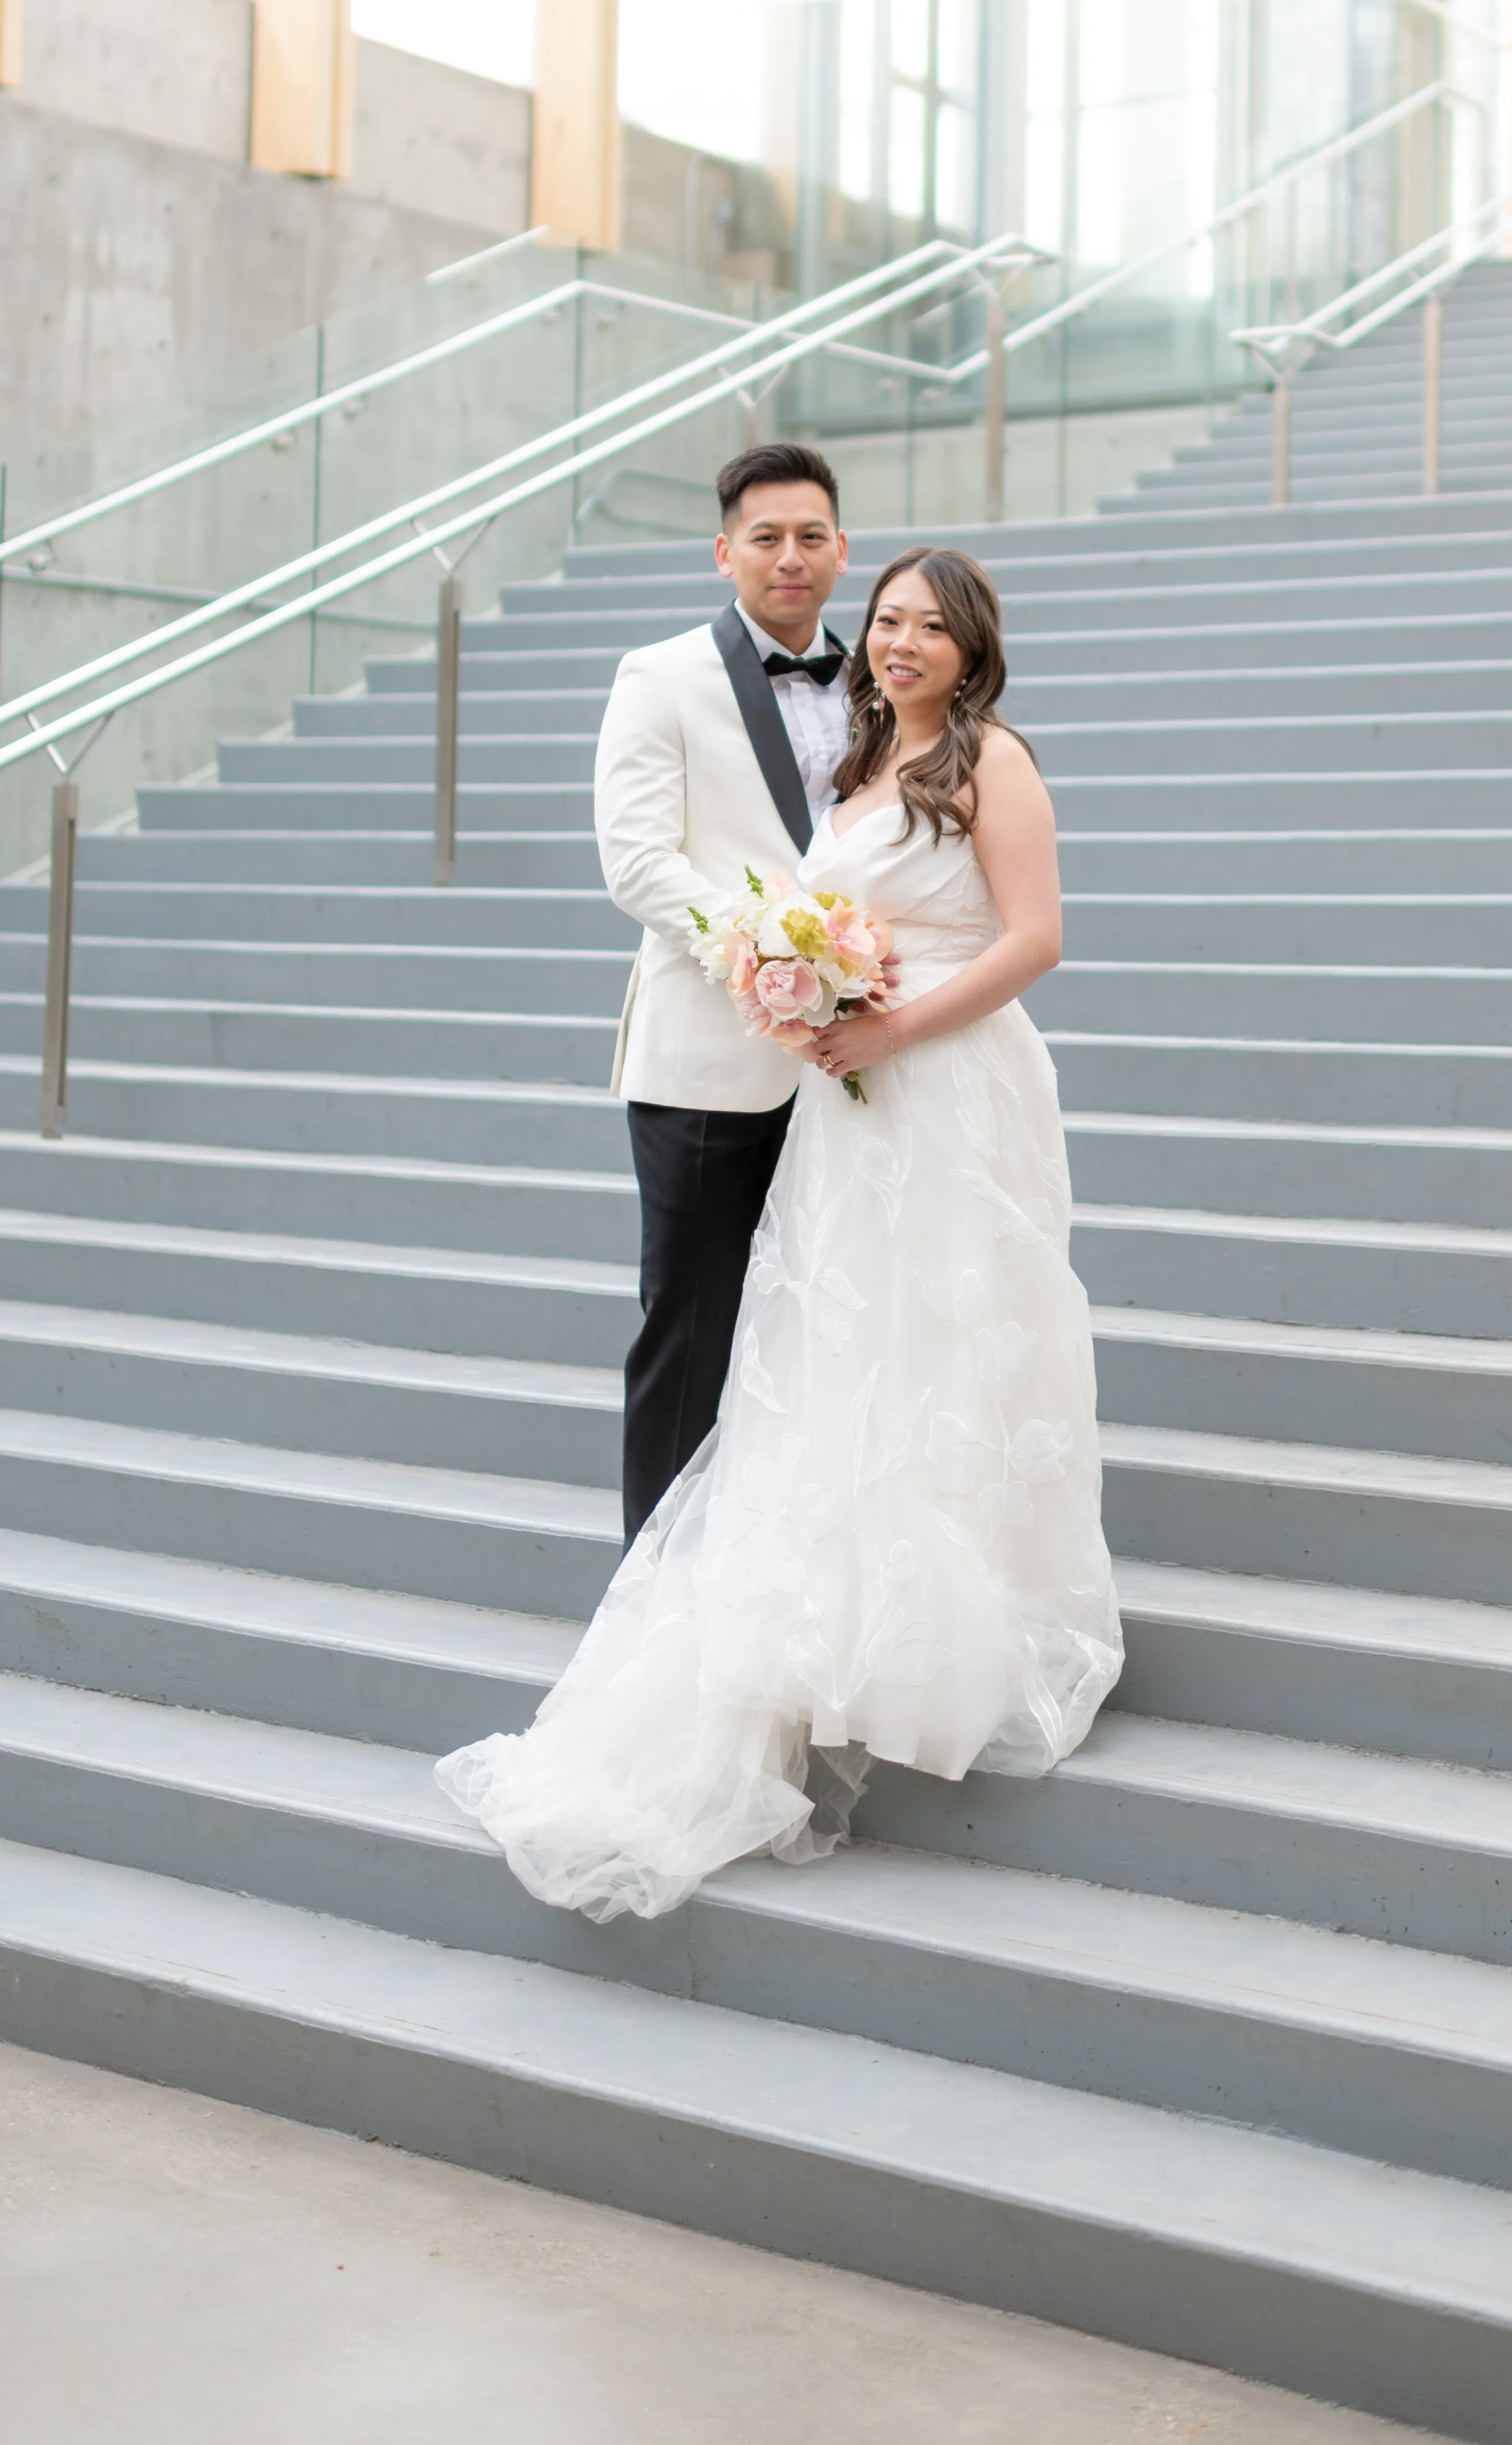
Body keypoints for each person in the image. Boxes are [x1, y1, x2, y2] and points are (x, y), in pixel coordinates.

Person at [436, 543, 1122, 1923]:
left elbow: (1034, 937)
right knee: (837, 1338)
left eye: (932, 626)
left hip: (956, 1083)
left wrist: (888, 1023)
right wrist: (803, 991)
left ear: (975, 646)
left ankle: (949, 1620)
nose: (901, 642)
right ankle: (836, 1612)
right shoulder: (863, 769)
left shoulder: (993, 760)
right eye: (890, 621)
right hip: (856, 1102)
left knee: (948, 1330)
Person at [591, 440, 857, 1545]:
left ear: (841, 550)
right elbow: (637, 861)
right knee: (690, 1332)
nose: (789, 557)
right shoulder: (660, 678)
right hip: (708, 1061)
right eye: (766, 538)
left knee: (830, 1330)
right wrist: (769, 956)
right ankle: (651, 1596)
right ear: (725, 552)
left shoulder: (887, 678)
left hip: (858, 1070)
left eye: (810, 537)